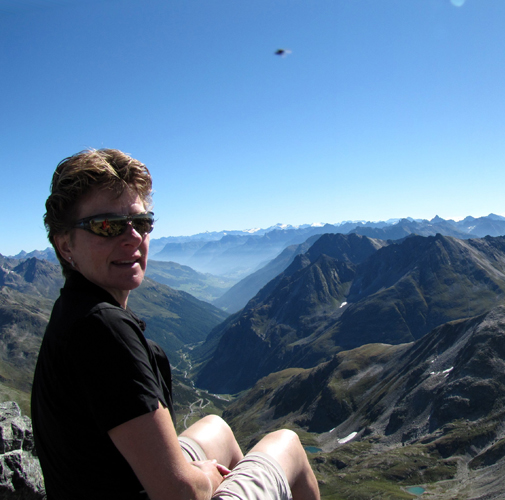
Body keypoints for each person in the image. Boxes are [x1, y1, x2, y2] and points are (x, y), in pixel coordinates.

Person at [31, 149, 322, 499]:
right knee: (287, 444)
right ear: (65, 246)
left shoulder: (72, 310)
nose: (133, 237)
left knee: (216, 426)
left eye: (140, 222)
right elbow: (179, 493)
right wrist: (203, 477)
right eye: (106, 226)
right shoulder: (103, 328)